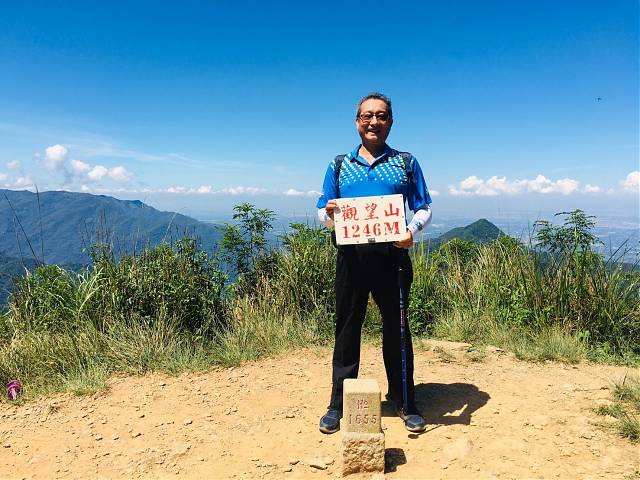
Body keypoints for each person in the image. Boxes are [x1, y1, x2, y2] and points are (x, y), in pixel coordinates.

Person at [316, 92, 433, 434]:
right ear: (357, 122)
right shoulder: (339, 164)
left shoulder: (406, 162)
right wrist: (330, 214)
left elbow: (423, 206)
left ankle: (405, 400)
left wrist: (411, 231)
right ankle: (338, 403)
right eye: (367, 116)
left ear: (390, 122)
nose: (374, 122)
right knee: (346, 329)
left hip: (393, 258)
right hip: (351, 259)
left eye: (381, 116)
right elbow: (322, 210)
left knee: (397, 328)